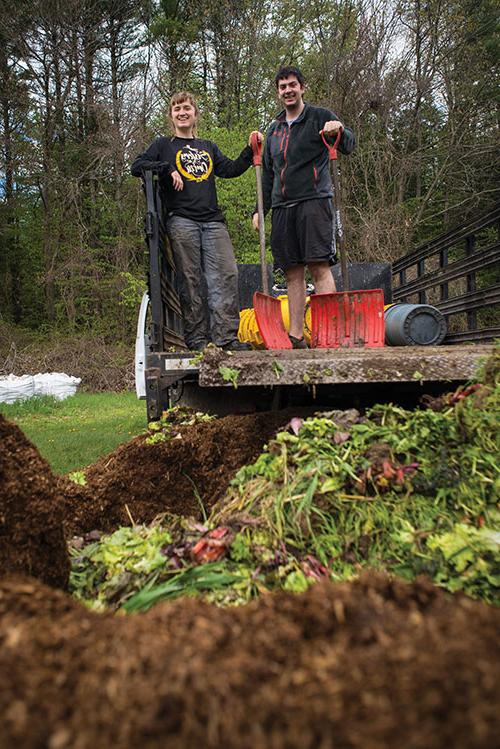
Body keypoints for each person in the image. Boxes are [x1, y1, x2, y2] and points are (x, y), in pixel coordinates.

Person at [132, 92, 261, 351]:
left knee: (226, 274)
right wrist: (167, 169)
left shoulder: (207, 146)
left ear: (195, 114)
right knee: (190, 280)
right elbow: (137, 166)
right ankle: (198, 340)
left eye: (187, 108)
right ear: (171, 116)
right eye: (177, 108)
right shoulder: (163, 145)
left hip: (213, 222)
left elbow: (231, 169)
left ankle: (226, 337)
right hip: (181, 221)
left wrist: (250, 150)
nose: (182, 112)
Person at [252, 66, 355, 348]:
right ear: (278, 92)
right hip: (284, 208)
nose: (288, 90)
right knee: (292, 272)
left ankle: (329, 334)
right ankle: (296, 337)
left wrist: (340, 130)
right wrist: (259, 209)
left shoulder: (320, 117)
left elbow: (349, 145)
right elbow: (269, 174)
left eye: (292, 85)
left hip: (315, 202)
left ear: (302, 88)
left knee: (319, 267)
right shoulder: (274, 130)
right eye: (283, 86)